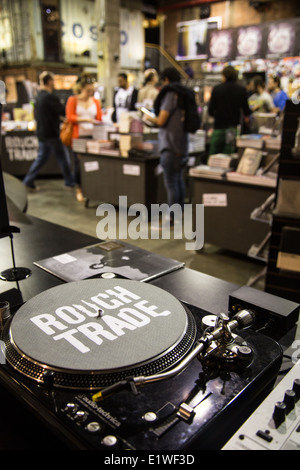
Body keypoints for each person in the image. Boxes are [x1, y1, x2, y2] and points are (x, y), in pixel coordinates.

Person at [146, 67, 189, 218]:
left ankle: (171, 217)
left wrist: (149, 117)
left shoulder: (171, 94)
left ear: (166, 80)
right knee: (178, 180)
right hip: (183, 144)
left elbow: (162, 120)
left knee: (171, 183)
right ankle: (180, 213)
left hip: (170, 146)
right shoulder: (184, 93)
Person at [23, 71, 74, 191]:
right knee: (63, 158)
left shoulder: (39, 96)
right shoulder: (50, 97)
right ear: (49, 81)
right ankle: (70, 182)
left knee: (42, 158)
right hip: (51, 134)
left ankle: (28, 181)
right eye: (53, 80)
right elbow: (62, 111)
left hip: (42, 133)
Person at [66, 73, 102, 201]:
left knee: (92, 163)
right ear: (81, 88)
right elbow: (70, 117)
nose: (89, 93)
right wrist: (84, 119)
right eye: (88, 90)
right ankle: (79, 189)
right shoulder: (73, 100)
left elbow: (99, 118)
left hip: (92, 136)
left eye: (91, 90)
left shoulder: (95, 101)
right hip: (78, 137)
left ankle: (91, 188)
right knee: (78, 164)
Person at [208, 65, 252, 155]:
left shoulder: (217, 89)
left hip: (218, 128)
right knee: (228, 156)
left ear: (224, 76)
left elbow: (210, 110)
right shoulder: (241, 90)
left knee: (213, 155)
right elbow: (246, 111)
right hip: (232, 129)